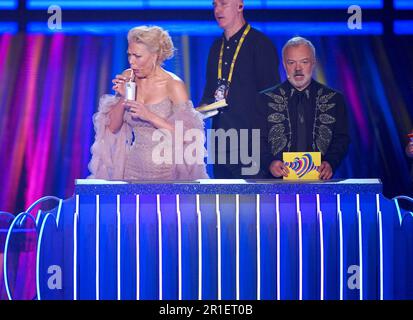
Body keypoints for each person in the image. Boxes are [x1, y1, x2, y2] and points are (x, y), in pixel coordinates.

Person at [88, 26, 208, 181]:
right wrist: (124, 98)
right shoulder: (128, 77)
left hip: (166, 173)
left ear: (155, 55)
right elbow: (112, 127)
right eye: (129, 55)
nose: (131, 62)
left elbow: (188, 136)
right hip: (131, 170)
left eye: (137, 56)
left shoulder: (173, 85)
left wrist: (149, 116)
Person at [200, 0, 280, 179]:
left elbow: (273, 102)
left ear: (240, 5)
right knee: (223, 204)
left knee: (253, 205)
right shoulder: (215, 47)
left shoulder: (260, 44)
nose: (218, 10)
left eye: (224, 4)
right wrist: (193, 113)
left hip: (251, 145)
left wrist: (271, 154)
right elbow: (209, 95)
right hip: (220, 143)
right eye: (214, 5)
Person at [261, 36, 350, 180]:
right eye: (291, 62)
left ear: (313, 63)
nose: (298, 69)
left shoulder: (335, 99)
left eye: (304, 62)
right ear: (284, 64)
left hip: (321, 187)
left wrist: (330, 163)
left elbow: (341, 139)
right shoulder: (265, 100)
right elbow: (257, 139)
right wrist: (269, 163)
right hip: (275, 188)